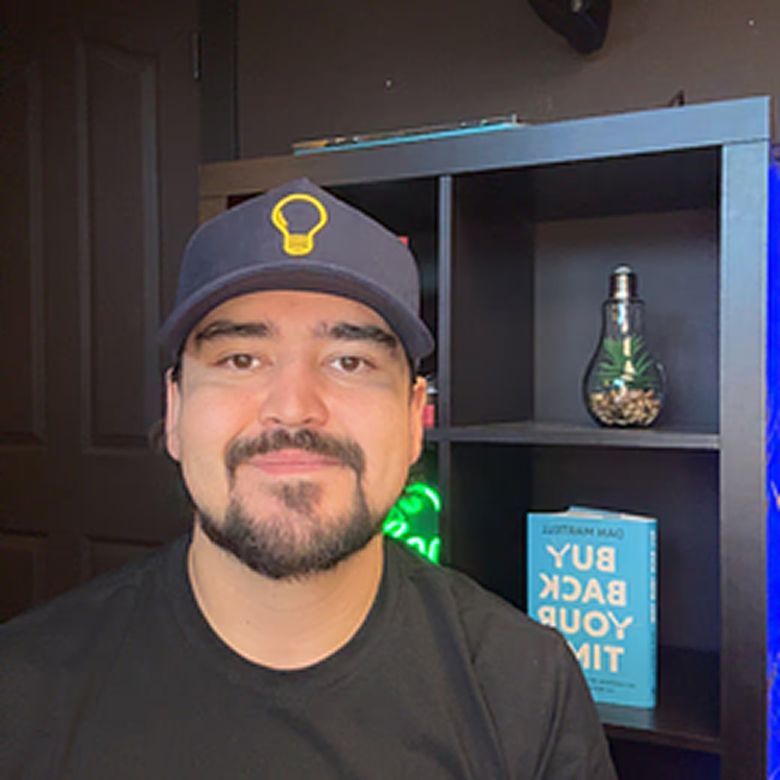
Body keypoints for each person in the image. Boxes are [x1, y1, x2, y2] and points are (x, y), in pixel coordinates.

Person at [0, 178, 617, 778]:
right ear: (176, 411)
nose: (293, 407)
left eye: (349, 361)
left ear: (412, 418)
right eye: (240, 359)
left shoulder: (524, 685)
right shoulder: (22, 692)